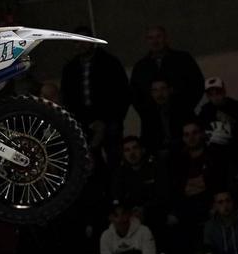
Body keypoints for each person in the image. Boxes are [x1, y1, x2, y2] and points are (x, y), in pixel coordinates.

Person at [62, 29, 131, 167]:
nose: (80, 45)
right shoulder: (70, 68)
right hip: (83, 123)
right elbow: (68, 97)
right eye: (76, 42)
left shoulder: (109, 63)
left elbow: (121, 93)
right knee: (91, 164)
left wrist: (109, 119)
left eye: (84, 41)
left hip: (109, 120)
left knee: (115, 161)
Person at [130, 26, 205, 131]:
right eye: (151, 38)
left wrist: (185, 107)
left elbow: (197, 85)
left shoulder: (183, 59)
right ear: (146, 41)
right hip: (152, 123)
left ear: (166, 38)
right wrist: (147, 112)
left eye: (158, 36)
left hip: (183, 119)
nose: (155, 41)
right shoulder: (140, 67)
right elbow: (135, 94)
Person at [111, 137, 170, 225]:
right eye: (127, 150)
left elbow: (163, 195)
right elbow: (117, 198)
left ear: (143, 150)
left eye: (135, 148)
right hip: (129, 217)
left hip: (154, 214)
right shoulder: (120, 173)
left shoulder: (155, 168)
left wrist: (145, 208)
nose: (132, 153)